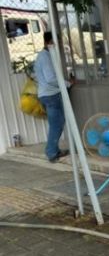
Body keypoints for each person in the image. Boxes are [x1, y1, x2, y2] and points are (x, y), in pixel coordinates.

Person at [34, 32, 69, 162]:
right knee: (57, 124)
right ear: (49, 42)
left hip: (47, 94)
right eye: (56, 42)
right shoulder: (45, 57)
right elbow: (51, 79)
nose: (58, 45)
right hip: (51, 95)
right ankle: (52, 152)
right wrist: (68, 84)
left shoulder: (44, 56)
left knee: (56, 124)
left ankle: (53, 150)